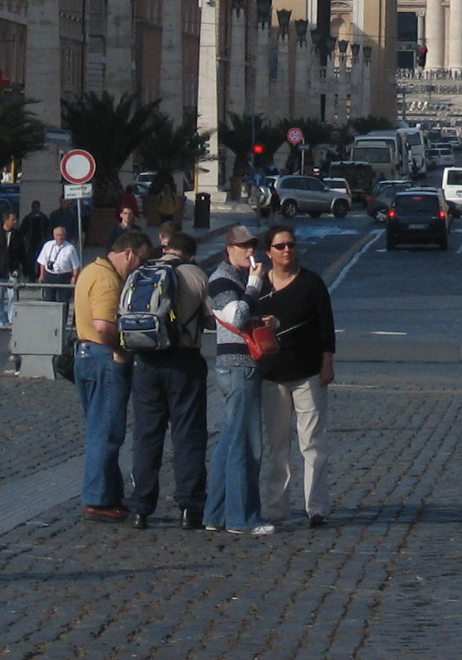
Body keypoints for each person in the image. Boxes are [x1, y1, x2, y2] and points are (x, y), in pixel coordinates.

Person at [125, 231, 211, 531]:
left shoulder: (142, 272)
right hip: (183, 360)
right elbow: (212, 317)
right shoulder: (195, 274)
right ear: (190, 254)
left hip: (146, 360)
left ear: (166, 249)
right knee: (188, 435)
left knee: (147, 436)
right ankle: (190, 508)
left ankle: (140, 509)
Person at [260, 224, 339, 527]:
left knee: (313, 443)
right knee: (277, 445)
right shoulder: (258, 286)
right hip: (272, 375)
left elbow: (325, 327)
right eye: (280, 246)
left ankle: (316, 507)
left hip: (307, 373)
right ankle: (277, 508)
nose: (287, 250)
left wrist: (327, 363)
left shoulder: (311, 283)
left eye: (291, 245)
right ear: (269, 252)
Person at [72, 230, 150, 522]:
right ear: (129, 253)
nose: (140, 268)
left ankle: (109, 492)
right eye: (141, 260)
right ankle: (99, 498)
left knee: (100, 427)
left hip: (86, 354)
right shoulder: (107, 279)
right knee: (107, 430)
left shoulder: (91, 270)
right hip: (103, 356)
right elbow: (104, 325)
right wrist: (121, 351)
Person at [205, 224, 274, 535]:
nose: (251, 252)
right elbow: (234, 316)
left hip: (237, 366)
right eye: (244, 247)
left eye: (253, 246)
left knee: (230, 442)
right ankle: (241, 517)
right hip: (238, 367)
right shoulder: (223, 279)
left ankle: (215, 514)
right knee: (245, 444)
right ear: (229, 249)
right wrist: (254, 286)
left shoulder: (233, 278)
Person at [0, 212, 23, 328]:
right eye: (13, 220)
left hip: (12, 270)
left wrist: (25, 269)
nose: (15, 222)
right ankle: (1, 321)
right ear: (5, 221)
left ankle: (12, 320)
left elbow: (23, 253)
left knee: (13, 296)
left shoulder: (18, 235)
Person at [37, 225, 79, 302]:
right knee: (49, 299)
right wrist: (41, 275)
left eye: (61, 235)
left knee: (64, 300)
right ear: (54, 236)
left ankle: (63, 314)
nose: (60, 237)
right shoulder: (48, 245)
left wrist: (74, 277)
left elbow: (75, 266)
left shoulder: (70, 248)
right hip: (50, 276)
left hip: (64, 277)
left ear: (65, 236)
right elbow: (42, 261)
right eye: (57, 235)